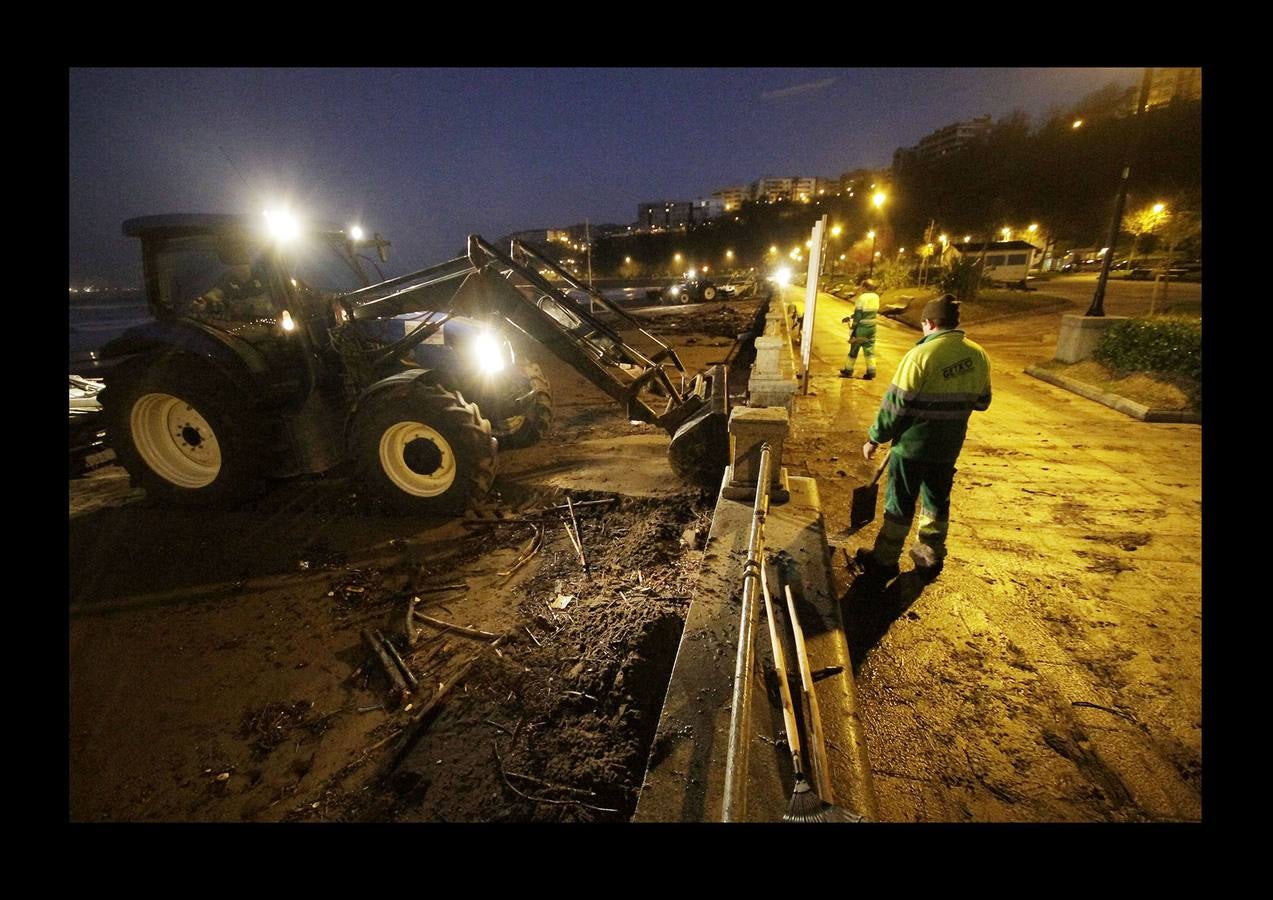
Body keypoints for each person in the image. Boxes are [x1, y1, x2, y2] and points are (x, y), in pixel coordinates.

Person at [855, 294, 991, 581]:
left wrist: (874, 438)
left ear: (929, 322)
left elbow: (894, 406)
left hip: (912, 447)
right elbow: (982, 402)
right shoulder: (978, 355)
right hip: (949, 446)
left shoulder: (920, 356)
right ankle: (929, 555)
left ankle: (884, 560)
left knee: (900, 504)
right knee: (936, 501)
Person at [840, 278, 880, 379]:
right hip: (872, 328)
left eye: (862, 286)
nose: (860, 288)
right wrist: (851, 316)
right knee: (869, 351)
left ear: (865, 287)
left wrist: (853, 330)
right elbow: (868, 313)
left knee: (853, 349)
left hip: (862, 328)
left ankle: (848, 371)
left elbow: (858, 315)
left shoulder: (861, 298)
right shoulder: (876, 297)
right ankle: (871, 372)